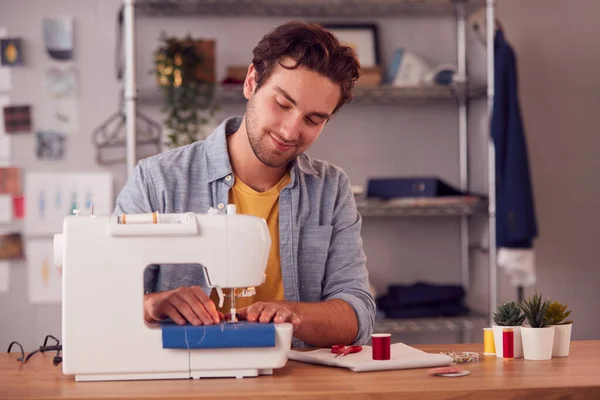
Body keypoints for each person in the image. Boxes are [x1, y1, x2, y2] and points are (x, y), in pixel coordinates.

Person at [113, 21, 375, 348]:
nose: (291, 131)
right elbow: (105, 298)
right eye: (282, 104)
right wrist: (153, 305)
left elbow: (358, 313)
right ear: (251, 82)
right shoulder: (158, 181)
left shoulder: (330, 189)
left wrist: (293, 315)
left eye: (313, 119)